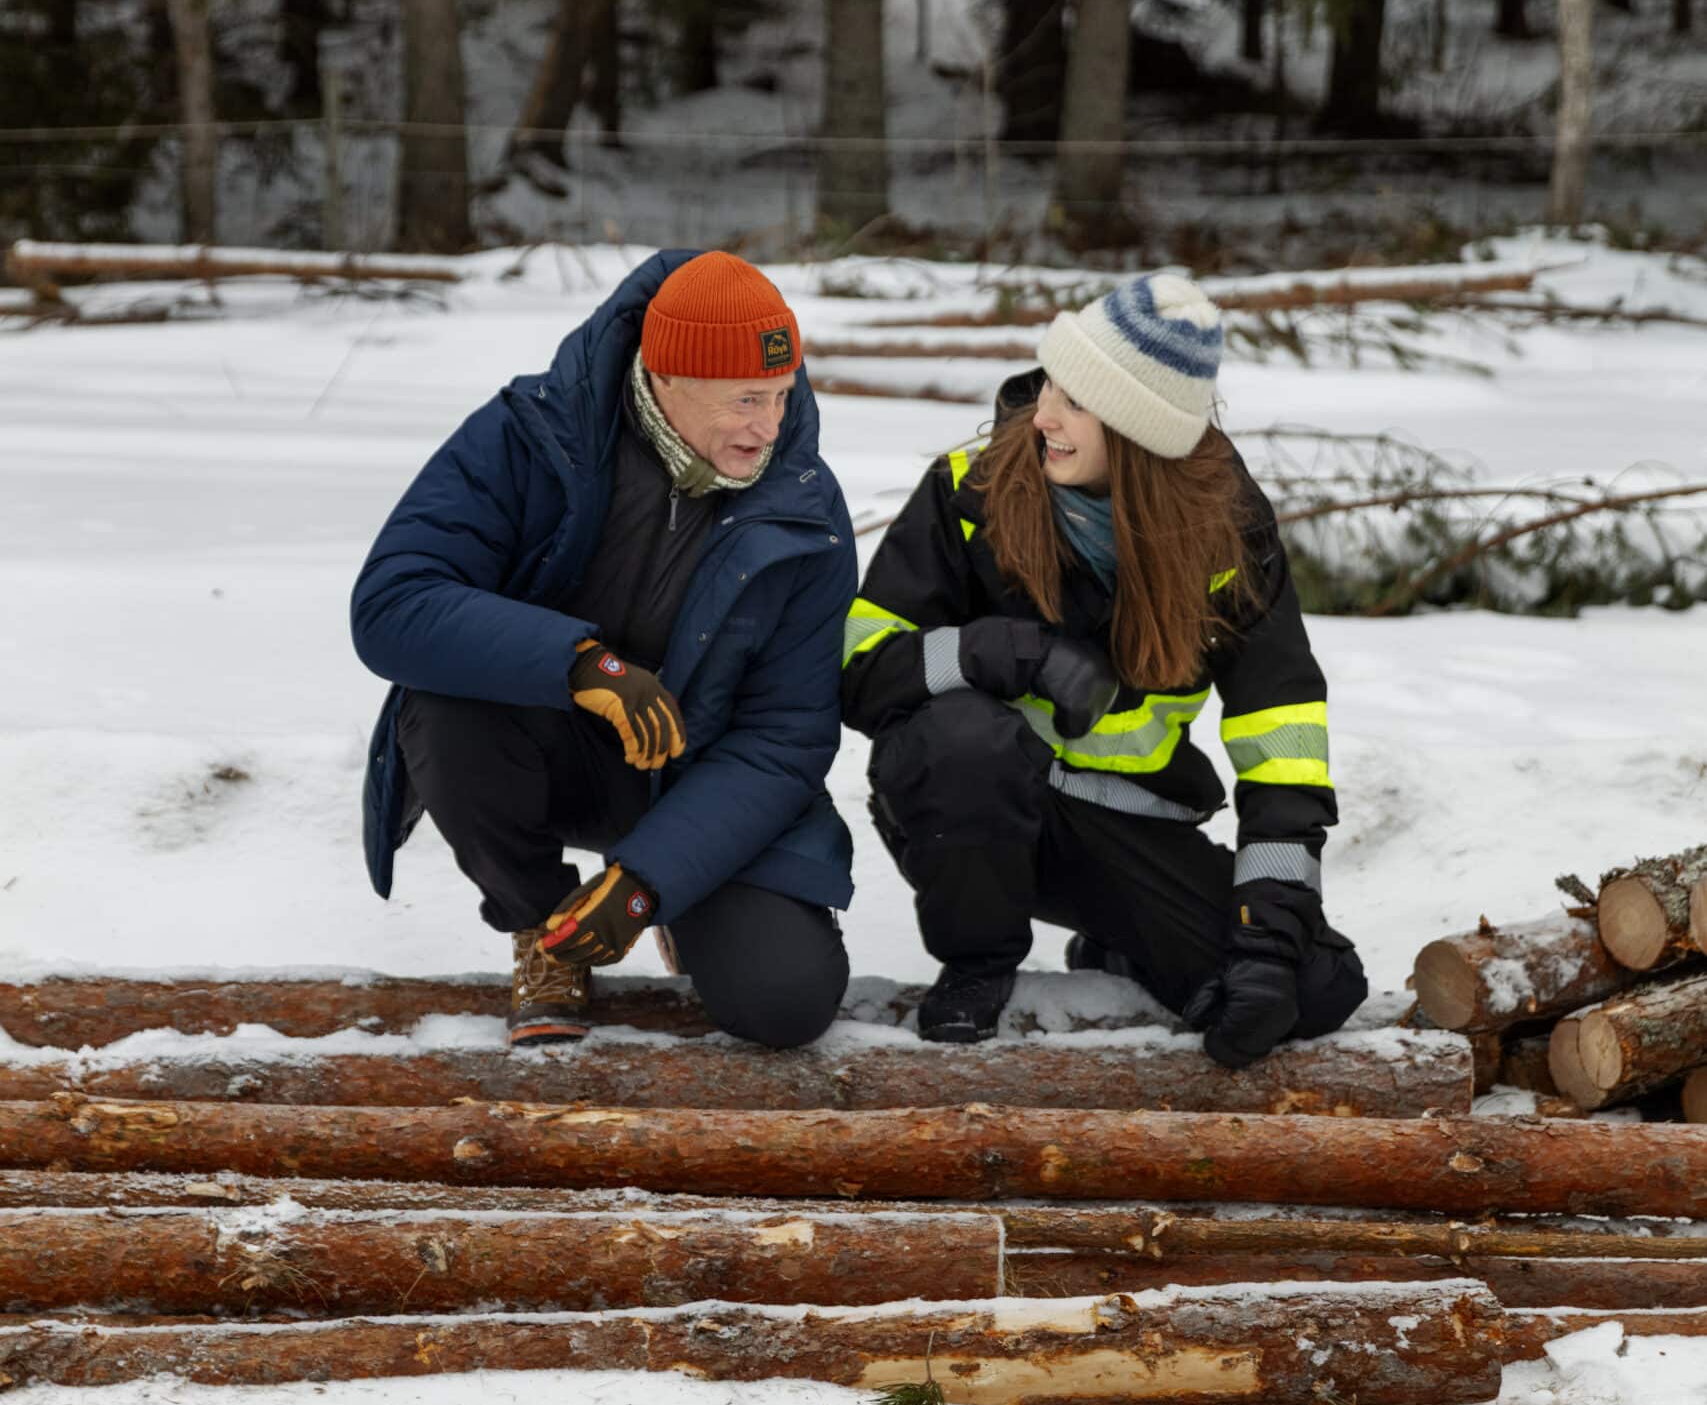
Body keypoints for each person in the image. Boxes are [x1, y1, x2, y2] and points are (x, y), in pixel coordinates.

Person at [840, 269, 1367, 1056]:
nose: (1042, 414)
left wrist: (1265, 936)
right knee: (961, 743)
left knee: (1316, 988)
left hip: (1125, 828)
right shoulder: (969, 491)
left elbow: (1281, 737)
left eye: (1076, 401)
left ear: (1140, 431)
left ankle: (1116, 945)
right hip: (969, 816)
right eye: (1051, 381)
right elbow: (859, 672)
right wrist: (1005, 653)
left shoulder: (1227, 533)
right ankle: (978, 963)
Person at [352, 249, 857, 1048]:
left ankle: (666, 905)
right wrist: (580, 665)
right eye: (745, 400)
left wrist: (646, 883)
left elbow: (782, 739)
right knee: (447, 701)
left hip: (705, 775)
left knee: (784, 1003)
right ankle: (542, 930)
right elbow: (392, 605)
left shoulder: (804, 508)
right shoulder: (528, 438)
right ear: (664, 378)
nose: (770, 427)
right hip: (547, 750)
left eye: (783, 395)